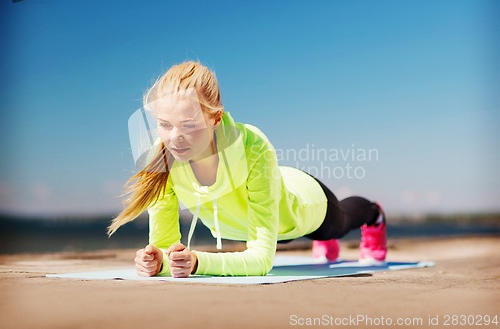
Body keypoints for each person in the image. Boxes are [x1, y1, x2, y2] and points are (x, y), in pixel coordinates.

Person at [107, 61, 387, 278]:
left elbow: (262, 261)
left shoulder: (253, 145)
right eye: (165, 124)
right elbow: (166, 248)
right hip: (253, 216)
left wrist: (197, 262)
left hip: (301, 206)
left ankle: (374, 216)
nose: (174, 138)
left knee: (337, 224)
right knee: (298, 237)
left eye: (189, 125)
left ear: (215, 118)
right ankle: (326, 246)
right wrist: (157, 261)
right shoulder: (163, 157)